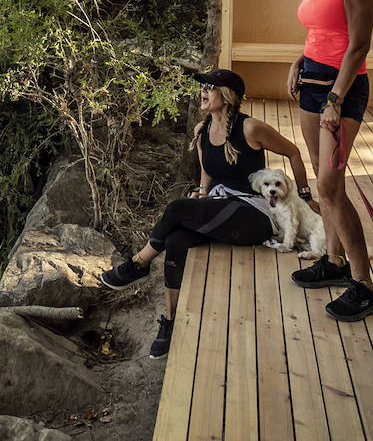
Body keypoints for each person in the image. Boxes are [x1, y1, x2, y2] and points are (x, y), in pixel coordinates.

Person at [98, 69, 314, 358]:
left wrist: (305, 196)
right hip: (222, 206)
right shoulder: (202, 131)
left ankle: (138, 263)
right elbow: (206, 175)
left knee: (176, 208)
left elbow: (294, 152)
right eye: (202, 86)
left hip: (254, 214)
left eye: (210, 86)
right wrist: (201, 195)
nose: (203, 91)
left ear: (227, 96)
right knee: (175, 241)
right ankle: (171, 323)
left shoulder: (250, 128)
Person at [285, 0, 373, 321]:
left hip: (339, 93)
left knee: (330, 186)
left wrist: (335, 100)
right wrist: (298, 61)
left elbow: (358, 45)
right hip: (312, 85)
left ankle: (364, 285)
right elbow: (322, 32)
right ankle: (334, 261)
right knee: (325, 184)